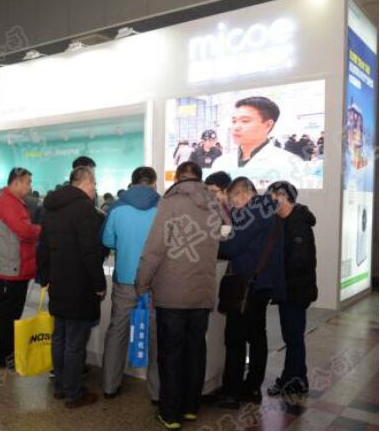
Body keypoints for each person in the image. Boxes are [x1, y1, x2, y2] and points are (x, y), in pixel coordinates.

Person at [135, 162, 222, 430]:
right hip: (202, 293)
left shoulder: (170, 204)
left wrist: (141, 283)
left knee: (171, 354)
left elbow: (154, 249)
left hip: (172, 294)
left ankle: (171, 414)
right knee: (195, 351)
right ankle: (191, 408)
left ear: (179, 179)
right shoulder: (215, 205)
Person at [38, 166, 107, 409]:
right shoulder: (84, 208)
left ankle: (60, 386)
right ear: (86, 182)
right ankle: (73, 392)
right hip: (80, 285)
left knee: (60, 336)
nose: (94, 189)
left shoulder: (51, 207)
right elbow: (90, 251)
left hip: (58, 282)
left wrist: (44, 277)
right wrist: (99, 284)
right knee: (75, 342)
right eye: (94, 185)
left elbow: (43, 246)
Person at [216, 177, 285, 408]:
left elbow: (231, 247)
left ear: (244, 194)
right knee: (257, 336)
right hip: (263, 283)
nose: (233, 206)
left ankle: (232, 391)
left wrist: (218, 240)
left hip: (249, 285)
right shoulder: (270, 212)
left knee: (235, 338)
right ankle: (253, 387)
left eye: (234, 200)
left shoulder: (254, 213)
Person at [101, 167, 160, 403]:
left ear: (132, 182)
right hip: (155, 282)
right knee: (157, 336)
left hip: (125, 280)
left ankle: (109, 386)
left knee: (117, 332)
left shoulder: (116, 207)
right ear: (153, 183)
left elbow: (107, 240)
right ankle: (157, 393)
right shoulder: (164, 206)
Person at [265, 181, 317, 397]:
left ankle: (295, 380)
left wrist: (275, 269)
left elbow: (299, 260)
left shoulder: (298, 223)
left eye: (271, 197)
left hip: (296, 290)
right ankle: (294, 378)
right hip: (288, 289)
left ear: (283, 197)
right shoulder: (282, 221)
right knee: (292, 336)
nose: (269, 202)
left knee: (293, 337)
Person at [0, 167, 41, 369]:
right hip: (9, 270)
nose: (30, 186)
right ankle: (5, 355)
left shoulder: (14, 202)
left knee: (12, 314)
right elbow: (24, 231)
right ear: (16, 182)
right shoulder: (7, 202)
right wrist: (42, 230)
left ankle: (9, 352)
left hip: (15, 268)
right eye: (28, 182)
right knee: (9, 316)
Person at [210, 97, 304, 180]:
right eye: (234, 121)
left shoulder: (290, 163)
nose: (236, 127)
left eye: (245, 121)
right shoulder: (221, 163)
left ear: (267, 125)